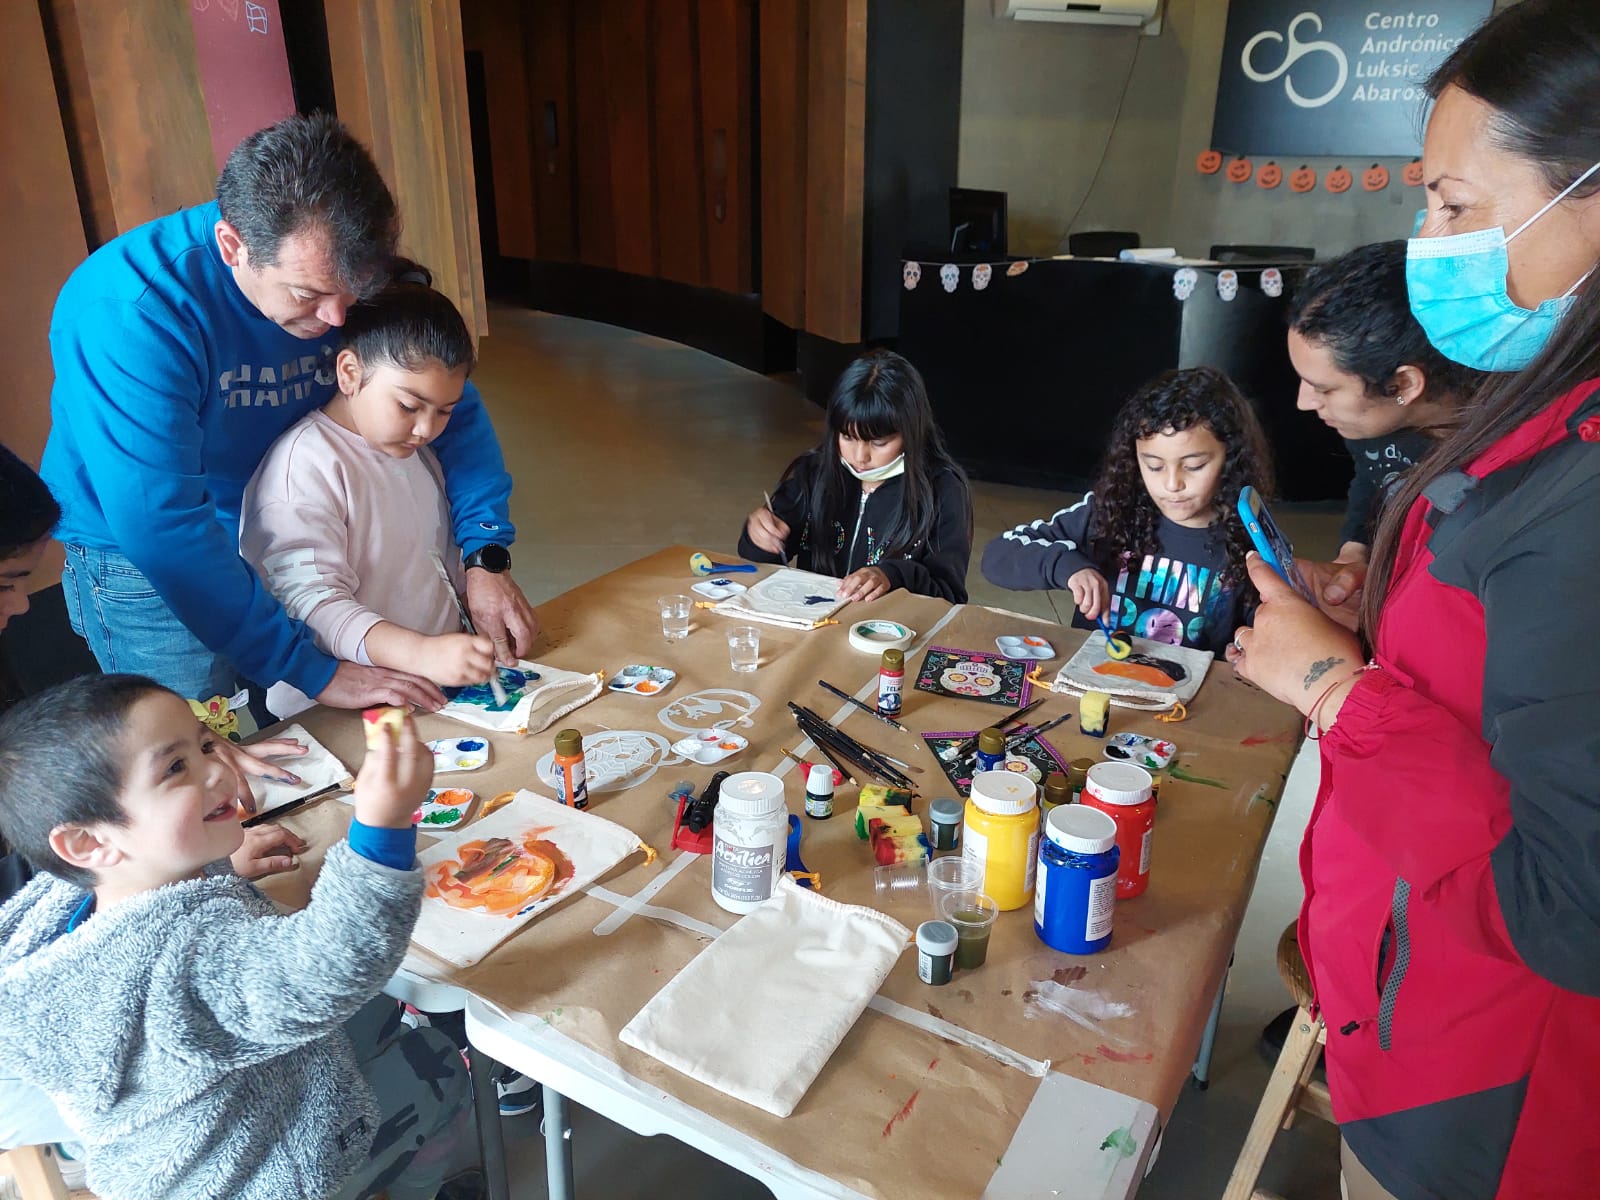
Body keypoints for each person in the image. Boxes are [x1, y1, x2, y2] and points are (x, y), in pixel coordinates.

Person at [1231, 2, 1600, 1195]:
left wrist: (1332, 685)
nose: (1426, 239)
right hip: (1403, 1001)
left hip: (1484, 1089)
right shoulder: (1531, 418)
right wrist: (1374, 618)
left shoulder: (1581, 495)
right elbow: (1505, 685)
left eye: (1454, 205)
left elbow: (1571, 901)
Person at [41, 113, 537, 714]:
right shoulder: (131, 312)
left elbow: (449, 402)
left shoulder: (350, 269)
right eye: (307, 296)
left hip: (280, 514)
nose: (335, 320)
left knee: (278, 729)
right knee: (193, 735)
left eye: (352, 294)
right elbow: (163, 525)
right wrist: (312, 669)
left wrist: (485, 553)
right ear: (233, 246)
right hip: (143, 554)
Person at [0, 677, 480, 1199]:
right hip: (262, 1176)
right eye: (175, 768)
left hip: (193, 1141)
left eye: (205, 745)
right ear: (89, 842)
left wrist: (216, 862)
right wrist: (383, 829)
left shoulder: (74, 904)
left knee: (383, 1011)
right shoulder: (179, 966)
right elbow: (326, 968)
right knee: (440, 1064)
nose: (217, 770)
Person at [240, 266, 497, 719]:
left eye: (444, 412)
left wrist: (468, 623)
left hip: (424, 694)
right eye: (409, 405)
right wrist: (420, 653)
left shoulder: (413, 449)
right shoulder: (304, 467)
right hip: (334, 713)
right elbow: (309, 605)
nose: (425, 428)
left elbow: (434, 557)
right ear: (350, 373)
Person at [981, 366, 1273, 656]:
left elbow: (1270, 637)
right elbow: (997, 557)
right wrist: (1068, 567)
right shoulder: (1110, 511)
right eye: (1154, 466)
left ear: (1232, 458)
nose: (1172, 484)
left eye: (1194, 466)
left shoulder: (1253, 540)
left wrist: (1248, 649)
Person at [1285, 240, 1482, 624]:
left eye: (1324, 388)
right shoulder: (1374, 422)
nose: (1303, 403)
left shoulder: (1507, 465)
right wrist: (1356, 553)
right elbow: (1374, 479)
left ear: (1403, 385)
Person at [738, 349, 973, 603]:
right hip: (817, 624)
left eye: (879, 442)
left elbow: (950, 596)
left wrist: (892, 575)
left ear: (910, 432)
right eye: (848, 437)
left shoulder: (941, 490)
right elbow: (762, 560)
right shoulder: (816, 472)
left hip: (888, 635)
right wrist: (758, 537)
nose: (860, 456)